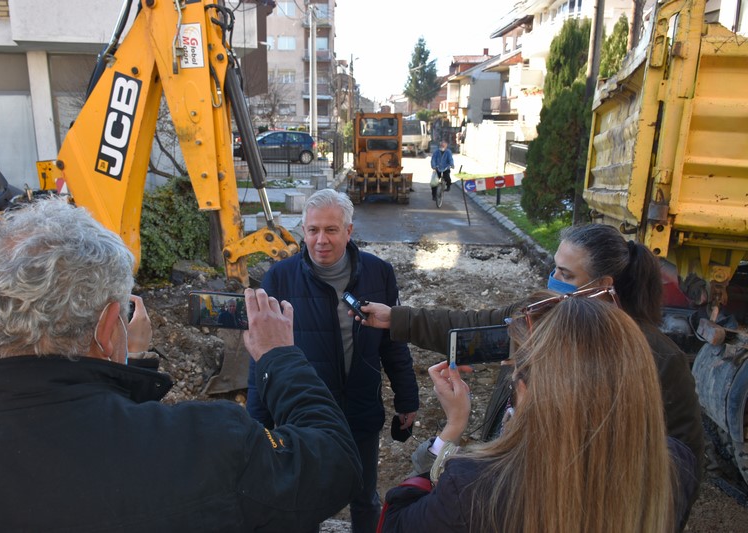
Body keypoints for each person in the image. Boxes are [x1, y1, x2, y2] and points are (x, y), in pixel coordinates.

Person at [0, 198, 362, 532]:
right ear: (111, 324)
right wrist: (279, 357)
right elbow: (334, 462)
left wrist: (126, 362)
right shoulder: (210, 443)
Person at [356, 223, 705, 526]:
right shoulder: (540, 314)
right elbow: (474, 326)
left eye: (566, 275)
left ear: (603, 286)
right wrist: (397, 319)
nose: (553, 281)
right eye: (554, 269)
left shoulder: (659, 358)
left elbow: (677, 469)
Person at [380, 295, 697, 533]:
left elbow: (396, 522)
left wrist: (453, 427)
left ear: (528, 391)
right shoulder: (675, 465)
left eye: (516, 369)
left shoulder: (476, 486)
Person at [246, 188, 419, 533]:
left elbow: (393, 343)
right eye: (313, 230)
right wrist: (257, 420)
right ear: (303, 232)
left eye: (331, 230)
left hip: (360, 409)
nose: (320, 240)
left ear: (349, 231)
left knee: (365, 495)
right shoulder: (279, 278)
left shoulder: (379, 274)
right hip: (300, 415)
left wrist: (407, 398)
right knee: (302, 499)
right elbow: (260, 356)